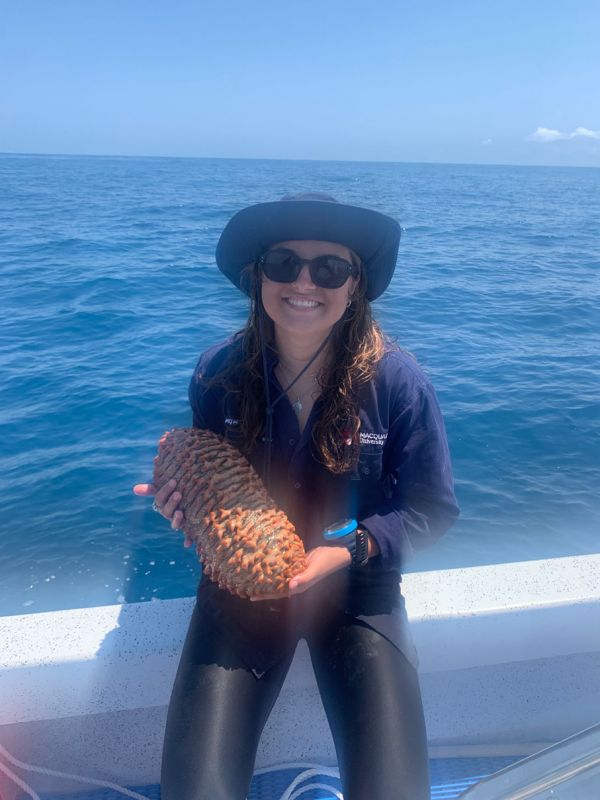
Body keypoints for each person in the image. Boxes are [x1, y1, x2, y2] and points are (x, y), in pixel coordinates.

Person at [134, 192, 459, 800]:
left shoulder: (397, 383)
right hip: (243, 593)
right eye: (283, 263)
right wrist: (182, 506)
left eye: (329, 268)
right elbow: (209, 487)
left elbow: (431, 508)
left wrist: (350, 548)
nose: (304, 282)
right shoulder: (217, 374)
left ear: (354, 286)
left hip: (356, 591)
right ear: (258, 277)